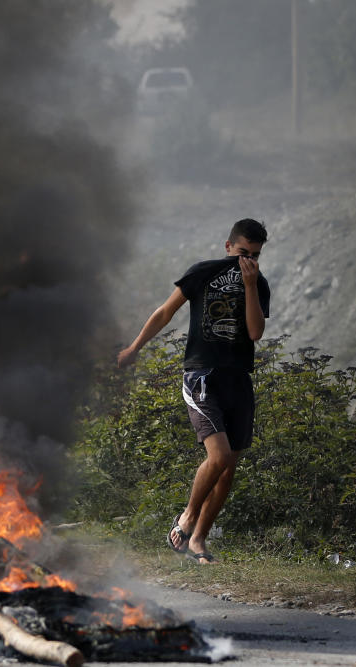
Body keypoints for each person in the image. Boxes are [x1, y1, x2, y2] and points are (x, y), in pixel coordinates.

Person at [117, 219, 270, 564]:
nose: (245, 261)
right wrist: (135, 348)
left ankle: (198, 541)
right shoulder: (203, 272)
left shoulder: (258, 283)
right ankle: (186, 518)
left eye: (255, 256)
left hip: (238, 379)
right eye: (242, 252)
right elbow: (165, 312)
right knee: (217, 456)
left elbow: (255, 332)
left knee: (228, 466)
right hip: (201, 375)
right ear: (228, 246)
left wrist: (249, 286)